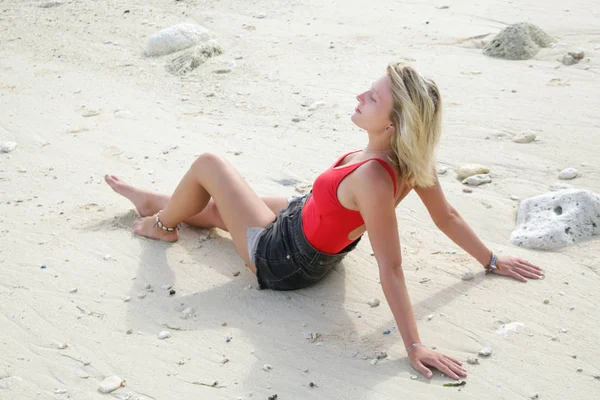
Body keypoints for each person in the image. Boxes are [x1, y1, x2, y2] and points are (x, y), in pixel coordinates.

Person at [105, 62, 544, 381]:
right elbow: (446, 216)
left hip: (282, 259)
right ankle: (157, 201)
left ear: (392, 124)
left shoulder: (374, 177)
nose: (360, 96)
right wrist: (490, 260)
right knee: (223, 206)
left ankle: (162, 226)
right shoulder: (407, 161)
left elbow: (391, 267)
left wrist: (414, 345)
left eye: (372, 98)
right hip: (305, 223)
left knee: (210, 164)